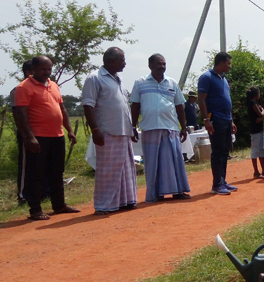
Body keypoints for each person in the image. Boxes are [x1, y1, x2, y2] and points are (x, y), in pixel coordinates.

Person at [13, 56, 80, 220]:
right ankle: (35, 209)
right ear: (33, 70)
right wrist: (29, 137)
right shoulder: (23, 88)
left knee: (57, 171)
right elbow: (19, 113)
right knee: (35, 173)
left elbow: (61, 108)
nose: (47, 72)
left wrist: (69, 130)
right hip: (37, 137)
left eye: (49, 69)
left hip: (57, 136)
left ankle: (59, 205)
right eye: (43, 69)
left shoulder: (53, 85)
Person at [82, 47, 137, 215]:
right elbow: (88, 105)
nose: (125, 63)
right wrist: (95, 129)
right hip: (107, 132)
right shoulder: (95, 78)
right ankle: (103, 204)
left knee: (125, 170)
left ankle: (124, 201)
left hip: (123, 131)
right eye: (122, 60)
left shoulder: (117, 79)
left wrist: (132, 127)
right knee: (108, 171)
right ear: (110, 61)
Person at [130, 54, 191, 203]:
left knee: (174, 161)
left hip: (171, 128)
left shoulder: (172, 83)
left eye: (164, 64)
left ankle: (178, 191)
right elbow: (135, 106)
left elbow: (179, 107)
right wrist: (132, 126)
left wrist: (183, 127)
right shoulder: (140, 83)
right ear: (150, 65)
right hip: (149, 128)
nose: (162, 67)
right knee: (153, 163)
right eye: (159, 64)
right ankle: (156, 193)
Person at [198, 52, 238, 195]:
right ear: (220, 63)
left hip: (226, 119)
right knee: (217, 152)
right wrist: (206, 120)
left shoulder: (224, 78)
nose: (229, 66)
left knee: (225, 151)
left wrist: (231, 120)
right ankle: (217, 184)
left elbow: (226, 100)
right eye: (228, 63)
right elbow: (201, 99)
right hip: (216, 120)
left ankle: (223, 180)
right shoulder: (206, 77)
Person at [10, 60, 34, 204]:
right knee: (26, 165)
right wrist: (26, 135)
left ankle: (41, 192)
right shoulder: (18, 90)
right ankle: (22, 195)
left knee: (39, 165)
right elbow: (17, 115)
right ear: (28, 72)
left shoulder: (42, 87)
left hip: (42, 133)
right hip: (27, 133)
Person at [247, 86, 264, 178]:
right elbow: (260, 114)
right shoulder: (252, 103)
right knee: (255, 150)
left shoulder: (253, 102)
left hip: (258, 129)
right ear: (257, 95)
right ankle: (256, 172)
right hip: (255, 129)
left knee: (261, 149)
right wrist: (263, 111)